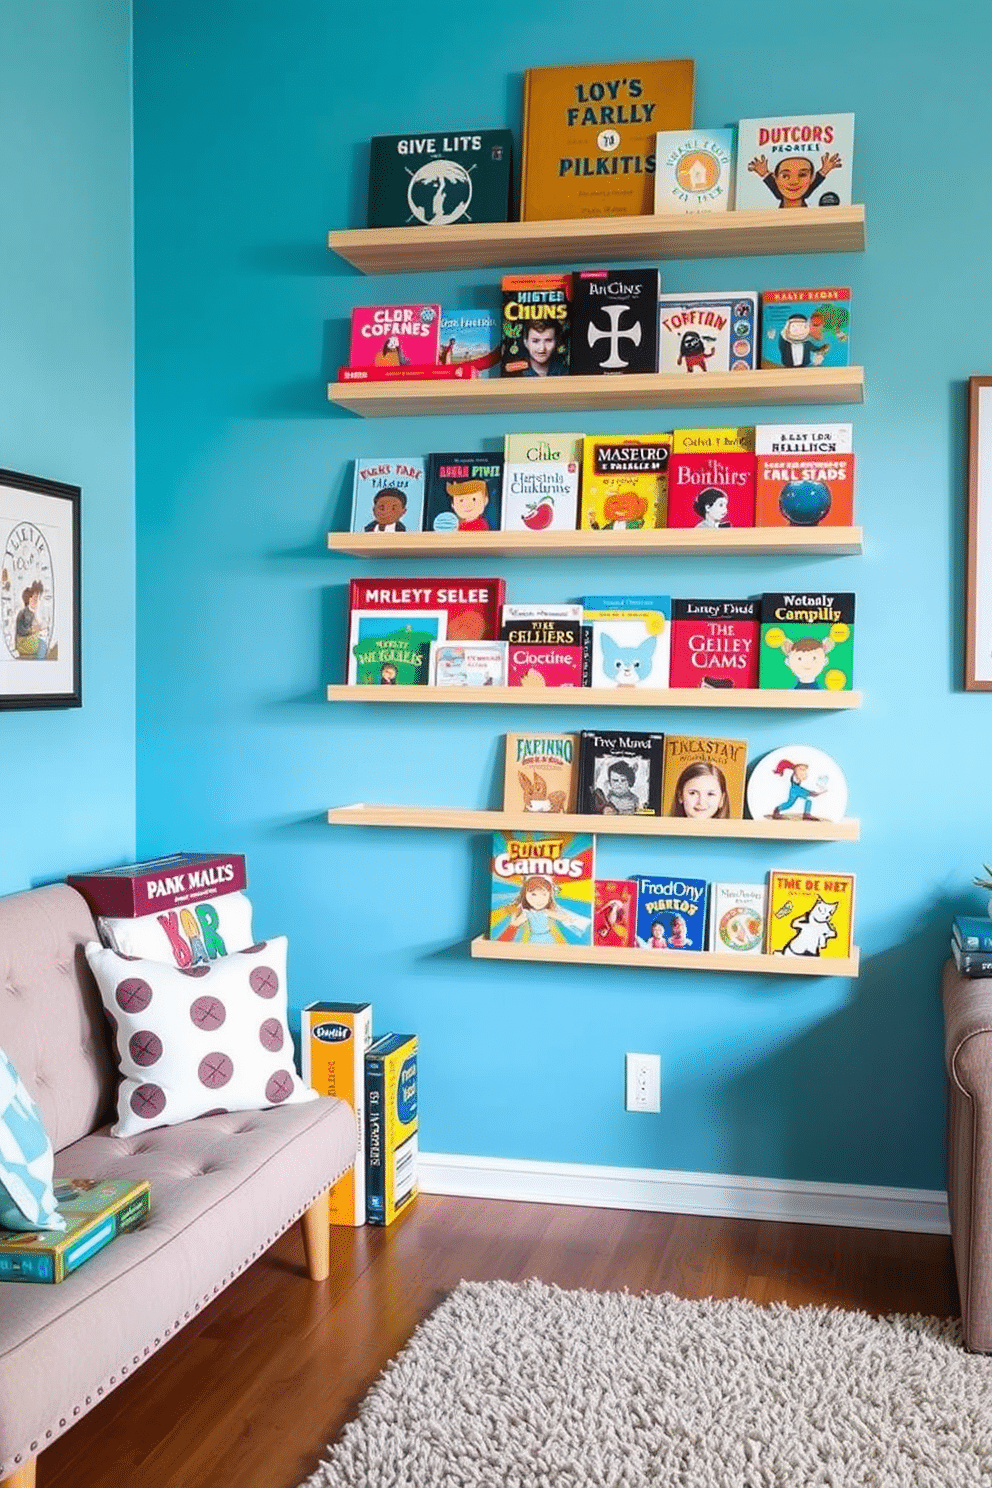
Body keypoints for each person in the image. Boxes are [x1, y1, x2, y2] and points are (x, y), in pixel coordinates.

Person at [747, 151, 841, 209]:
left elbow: (815, 183)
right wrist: (764, 173)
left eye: (802, 175)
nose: (794, 182)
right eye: (785, 176)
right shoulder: (778, 192)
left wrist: (825, 170)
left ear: (811, 178)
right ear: (776, 178)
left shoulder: (806, 192)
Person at [509, 875, 585, 944]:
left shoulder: (545, 911)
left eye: (544, 894)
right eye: (533, 894)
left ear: (549, 896)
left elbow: (559, 916)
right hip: (534, 938)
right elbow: (515, 923)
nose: (539, 899)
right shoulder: (527, 913)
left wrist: (570, 919)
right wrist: (514, 913)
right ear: (524, 895)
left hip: (547, 937)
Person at [15, 581, 48, 659]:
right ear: (28, 600)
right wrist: (36, 628)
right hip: (24, 643)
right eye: (35, 599)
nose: (37, 602)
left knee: (44, 643)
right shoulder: (25, 613)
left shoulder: (31, 613)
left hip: (28, 641)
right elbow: (23, 630)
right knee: (43, 646)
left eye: (37, 599)